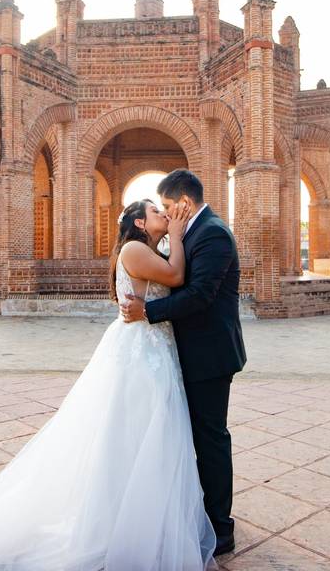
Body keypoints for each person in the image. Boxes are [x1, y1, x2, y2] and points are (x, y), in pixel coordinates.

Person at [0, 197, 217, 571]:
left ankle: (140, 517)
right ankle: (124, 523)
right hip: (142, 354)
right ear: (137, 223)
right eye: (156, 212)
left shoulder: (147, 247)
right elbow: (177, 277)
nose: (165, 216)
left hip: (152, 347)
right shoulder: (135, 249)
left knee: (149, 434)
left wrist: (173, 238)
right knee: (140, 431)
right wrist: (180, 234)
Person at [121, 169, 247, 556]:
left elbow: (200, 296)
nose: (167, 213)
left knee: (210, 439)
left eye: (169, 207)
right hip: (182, 354)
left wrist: (148, 310)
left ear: (185, 204)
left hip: (209, 356)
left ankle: (220, 528)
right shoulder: (189, 233)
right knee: (182, 438)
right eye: (160, 210)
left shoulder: (211, 233)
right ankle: (194, 515)